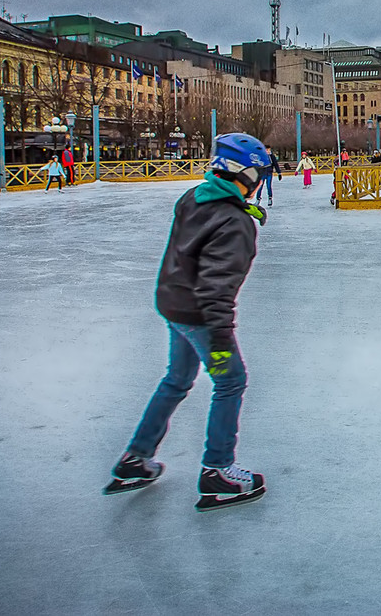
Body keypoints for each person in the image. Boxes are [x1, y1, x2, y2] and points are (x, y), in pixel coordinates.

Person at [105, 133, 271, 511]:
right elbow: (216, 287)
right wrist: (220, 337)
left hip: (174, 307)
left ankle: (136, 458)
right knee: (231, 381)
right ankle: (218, 471)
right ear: (243, 173)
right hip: (200, 318)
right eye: (258, 172)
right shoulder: (234, 222)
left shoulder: (194, 197)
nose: (260, 180)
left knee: (177, 379)